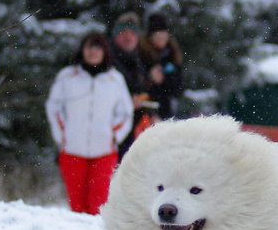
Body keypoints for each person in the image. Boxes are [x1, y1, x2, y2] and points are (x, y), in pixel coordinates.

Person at [46, 30, 133, 214]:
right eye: (89, 47)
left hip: (104, 152)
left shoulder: (114, 79)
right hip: (72, 150)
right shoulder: (67, 76)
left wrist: (113, 136)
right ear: (82, 50)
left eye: (97, 48)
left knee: (98, 205)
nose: (93, 52)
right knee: (77, 206)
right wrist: (62, 135)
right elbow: (54, 107)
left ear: (104, 52)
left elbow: (125, 112)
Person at [110, 12, 151, 153]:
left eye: (132, 33)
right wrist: (128, 102)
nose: (128, 37)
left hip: (136, 131)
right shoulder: (108, 61)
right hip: (114, 134)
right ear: (115, 36)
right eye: (123, 32)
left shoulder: (139, 60)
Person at [141, 12, 184, 120]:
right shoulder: (142, 56)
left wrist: (167, 79)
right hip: (148, 112)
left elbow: (178, 87)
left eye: (163, 33)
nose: (160, 36)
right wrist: (149, 78)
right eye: (157, 34)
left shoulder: (172, 55)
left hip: (167, 112)